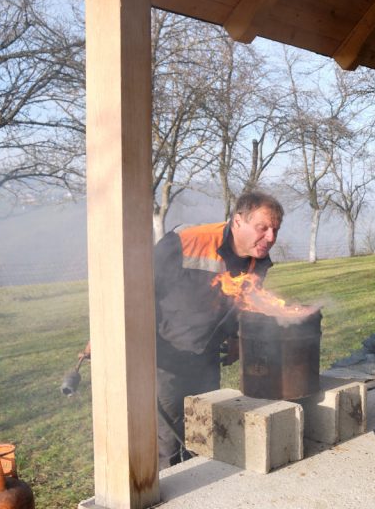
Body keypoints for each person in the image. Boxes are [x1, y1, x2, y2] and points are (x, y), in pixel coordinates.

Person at [78, 191, 284, 469]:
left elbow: (244, 300)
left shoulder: (257, 260)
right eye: (262, 228)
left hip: (207, 355)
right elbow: (133, 285)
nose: (271, 237)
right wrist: (106, 332)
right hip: (165, 355)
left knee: (204, 426)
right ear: (237, 222)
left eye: (275, 229)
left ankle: (202, 482)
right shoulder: (187, 242)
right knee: (169, 440)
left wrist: (236, 337)